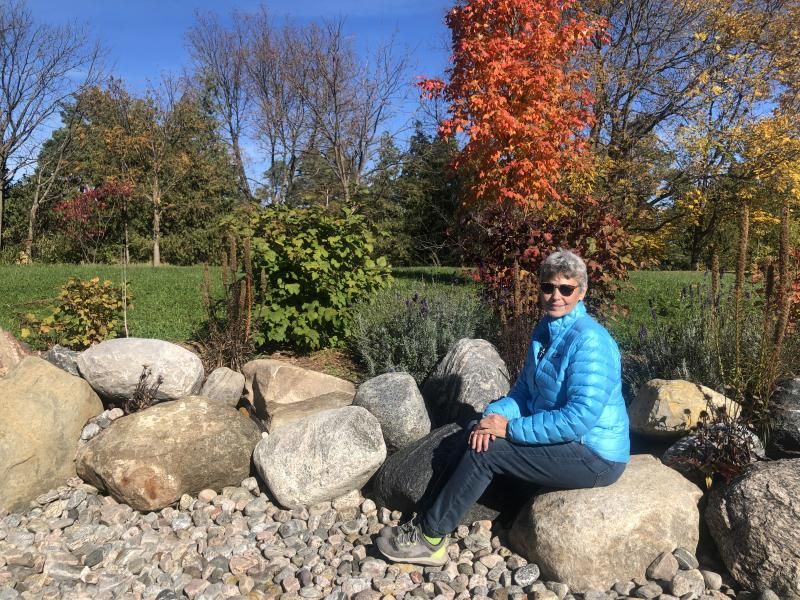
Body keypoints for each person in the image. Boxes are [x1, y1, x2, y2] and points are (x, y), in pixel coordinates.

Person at [376, 249, 630, 566]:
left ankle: (431, 539)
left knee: (489, 451)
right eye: (549, 287)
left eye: (566, 289)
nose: (556, 296)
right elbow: (523, 394)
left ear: (582, 292)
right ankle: (428, 517)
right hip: (567, 441)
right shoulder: (545, 331)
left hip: (594, 455)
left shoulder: (590, 341)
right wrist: (493, 417)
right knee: (473, 432)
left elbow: (578, 419)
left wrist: (508, 429)